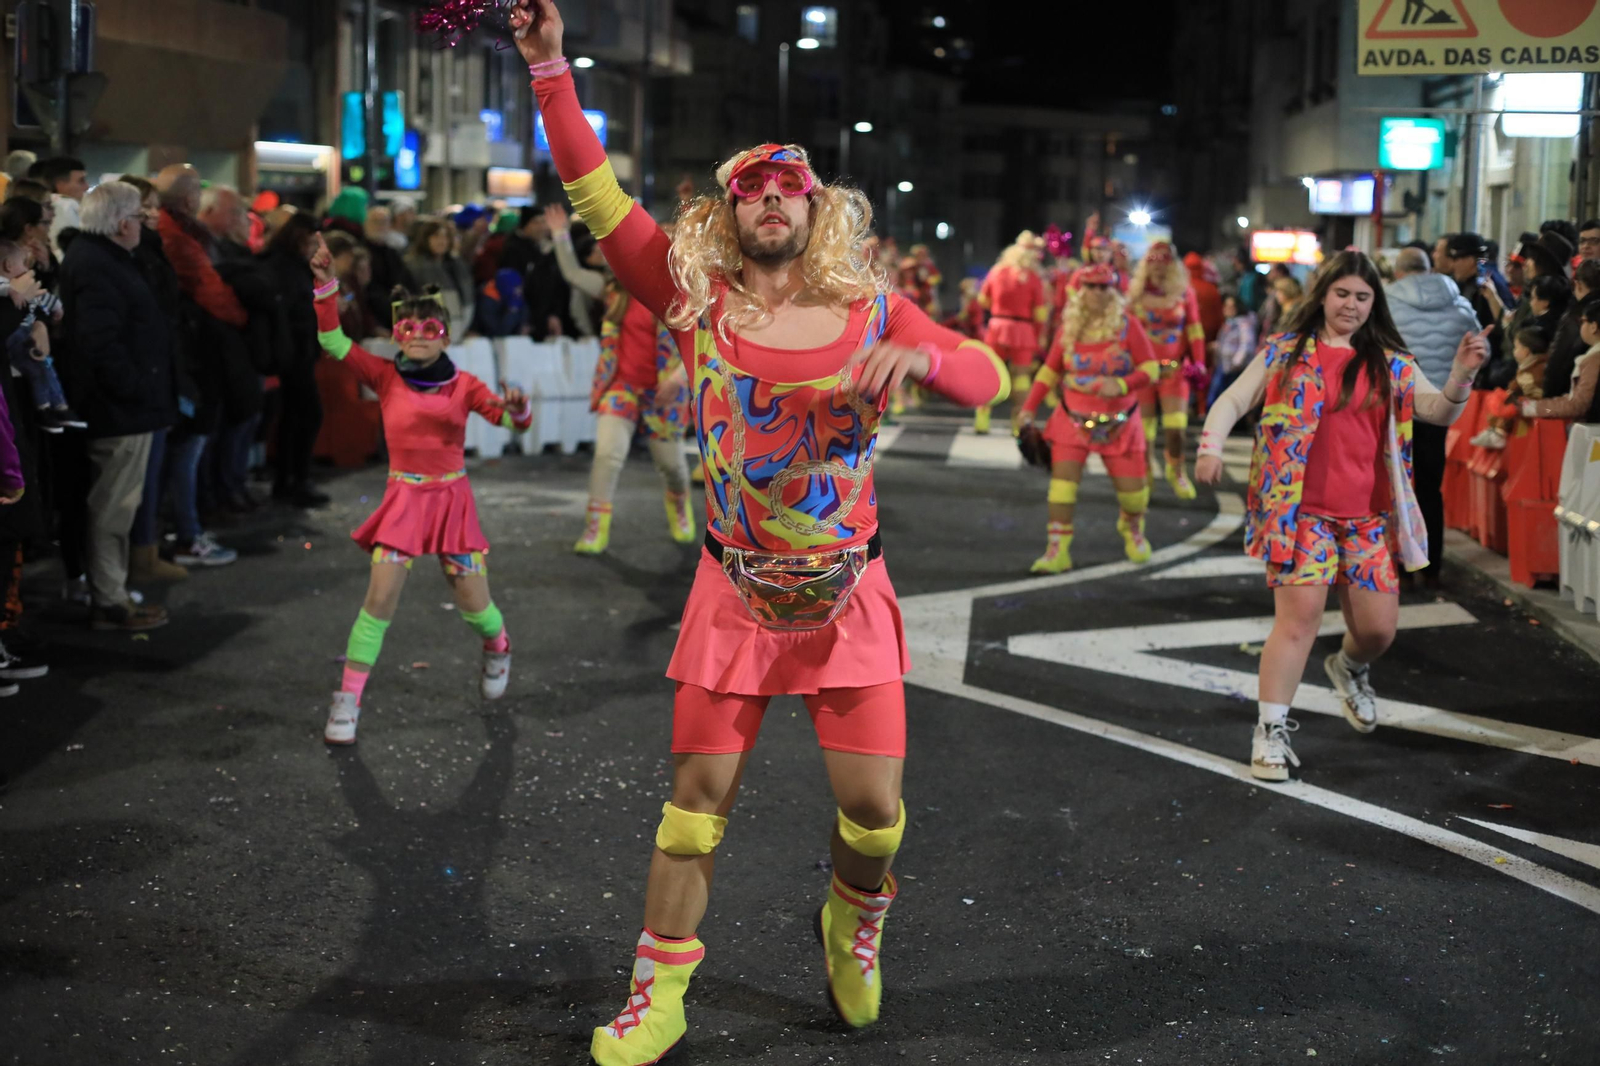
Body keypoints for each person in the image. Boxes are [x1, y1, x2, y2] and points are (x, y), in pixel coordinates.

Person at [512, 2, 1010, 1061]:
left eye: (789, 186)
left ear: (815, 207)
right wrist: (552, 68)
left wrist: (925, 359)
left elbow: (988, 375)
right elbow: (596, 195)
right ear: (728, 211)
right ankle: (658, 995)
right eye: (752, 188)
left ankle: (852, 920)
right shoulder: (690, 298)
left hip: (849, 597)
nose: (771, 199)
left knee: (875, 816)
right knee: (691, 811)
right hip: (733, 592)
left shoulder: (876, 308)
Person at [1196, 251, 1488, 781]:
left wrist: (1461, 375)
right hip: (1300, 515)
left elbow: (1439, 410)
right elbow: (1233, 400)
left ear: (1374, 303)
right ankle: (1269, 733)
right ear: (1323, 295)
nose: (1351, 305)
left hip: (1368, 519)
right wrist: (1210, 447)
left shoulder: (1390, 360)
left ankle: (1349, 668)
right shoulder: (1285, 351)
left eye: (1362, 297)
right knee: (1298, 622)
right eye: (1342, 294)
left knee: (1378, 633)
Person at [308, 241, 533, 745]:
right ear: (395, 334)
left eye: (428, 328)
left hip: (452, 504)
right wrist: (325, 285)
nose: (416, 337)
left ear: (445, 334)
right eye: (406, 328)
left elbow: (510, 422)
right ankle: (347, 702)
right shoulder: (384, 375)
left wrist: (518, 409)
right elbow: (333, 341)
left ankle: (498, 646)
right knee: (378, 601)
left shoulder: (465, 385)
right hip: (404, 503)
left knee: (476, 608)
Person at [58, 182, 178, 631]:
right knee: (113, 508)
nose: (145, 225)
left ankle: (113, 594)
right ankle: (109, 602)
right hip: (119, 410)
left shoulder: (99, 258)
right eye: (140, 218)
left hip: (122, 405)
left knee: (114, 506)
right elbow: (101, 344)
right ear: (123, 224)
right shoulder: (98, 265)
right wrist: (137, 388)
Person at [1016, 263, 1159, 573]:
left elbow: (1151, 368)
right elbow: (1050, 370)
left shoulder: (1128, 325)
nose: (1097, 292)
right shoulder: (1069, 327)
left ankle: (1131, 527)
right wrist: (1028, 407)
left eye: (1104, 286)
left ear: (1113, 290)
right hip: (1072, 420)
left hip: (1121, 423)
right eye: (1091, 286)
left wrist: (1122, 384)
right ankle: (1057, 551)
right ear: (1080, 291)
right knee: (1061, 489)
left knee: (1134, 498)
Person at [156, 165, 246, 567]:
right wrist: (243, 314)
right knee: (187, 448)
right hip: (191, 354)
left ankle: (178, 530)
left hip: (186, 352)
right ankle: (185, 533)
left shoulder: (176, 234)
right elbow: (212, 293)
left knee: (183, 449)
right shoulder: (177, 237)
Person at [573, 280, 693, 554]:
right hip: (622, 387)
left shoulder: (680, 291)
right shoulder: (617, 289)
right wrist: (558, 247)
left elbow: (702, 341)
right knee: (607, 455)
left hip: (664, 391)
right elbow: (572, 274)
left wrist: (679, 377)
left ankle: (678, 504)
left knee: (672, 466)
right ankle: (595, 528)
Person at [1384, 245, 1480, 582]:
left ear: (1398, 272)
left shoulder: (1386, 302)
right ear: (1429, 269)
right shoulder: (1459, 302)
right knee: (1429, 487)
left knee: (1396, 486)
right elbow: (1478, 345)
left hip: (1396, 409)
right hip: (1441, 404)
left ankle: (1400, 564)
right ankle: (1431, 565)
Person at [118, 175, 193, 586]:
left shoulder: (148, 250)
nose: (150, 213)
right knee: (137, 479)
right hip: (144, 378)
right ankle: (137, 557)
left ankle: (146, 549)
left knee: (152, 469)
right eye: (142, 206)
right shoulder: (131, 256)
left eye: (152, 205)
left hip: (158, 371)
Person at [260, 210, 328, 508]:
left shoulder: (289, 265)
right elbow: (292, 310)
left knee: (295, 415)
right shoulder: (285, 267)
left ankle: (291, 478)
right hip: (293, 351)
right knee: (306, 414)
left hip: (298, 349)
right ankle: (295, 478)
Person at [1128, 240, 1205, 499]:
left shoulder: (1184, 293)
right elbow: (1124, 333)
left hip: (1175, 370)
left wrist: (1199, 362)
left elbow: (1195, 330)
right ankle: (1145, 472)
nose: (1158, 267)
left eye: (1164, 261)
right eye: (1153, 261)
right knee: (1144, 431)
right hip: (1143, 372)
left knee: (1176, 428)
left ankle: (1176, 470)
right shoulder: (1135, 295)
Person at [0, 240, 80, 432]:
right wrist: (14, 293)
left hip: (23, 344)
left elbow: (42, 296)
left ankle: (59, 407)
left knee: (45, 368)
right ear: (8, 265)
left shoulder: (21, 283)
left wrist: (53, 311)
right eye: (24, 263)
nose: (28, 269)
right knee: (38, 369)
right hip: (13, 351)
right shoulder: (7, 285)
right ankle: (44, 409)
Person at [974, 234, 1047, 434]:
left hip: (997, 327)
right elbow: (1040, 313)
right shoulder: (1033, 277)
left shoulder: (997, 271)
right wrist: (1039, 335)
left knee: (990, 373)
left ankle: (982, 416)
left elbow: (983, 300)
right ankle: (1018, 422)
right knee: (1021, 377)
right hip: (1023, 330)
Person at [1471, 327, 1550, 450]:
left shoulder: (1535, 369)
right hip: (1529, 402)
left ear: (1526, 351)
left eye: (1516, 347)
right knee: (1503, 399)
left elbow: (1524, 388)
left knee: (1509, 404)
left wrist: (1510, 394)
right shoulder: (1529, 365)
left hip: (1536, 405)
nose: (1514, 351)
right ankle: (1493, 430)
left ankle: (1498, 434)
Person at [1523, 301, 1600, 425]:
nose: (1580, 326)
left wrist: (1536, 409)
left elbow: (1577, 406)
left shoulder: (1594, 361)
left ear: (1593, 327)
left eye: (1582, 321)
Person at [544, 204, 607, 337]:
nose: (602, 256)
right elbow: (572, 273)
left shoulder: (611, 280)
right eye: (597, 252)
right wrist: (560, 234)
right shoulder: (608, 282)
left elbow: (572, 273)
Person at [1545, 260, 1600, 398]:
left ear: (1578, 285)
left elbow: (1559, 362)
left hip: (1574, 394)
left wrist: (1548, 399)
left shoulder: (1578, 317)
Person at [404, 219, 474, 324]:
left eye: (445, 237)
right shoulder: (413, 265)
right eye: (436, 236)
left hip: (459, 321)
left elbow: (468, 294)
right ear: (426, 238)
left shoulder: (457, 265)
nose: (441, 241)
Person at [1207, 293, 1258, 409]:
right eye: (1226, 306)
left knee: (1229, 396)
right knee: (1217, 394)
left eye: (1231, 306)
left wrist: (1237, 362)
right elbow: (1227, 342)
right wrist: (1217, 347)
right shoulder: (1229, 323)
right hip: (1224, 364)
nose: (1227, 309)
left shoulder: (1243, 324)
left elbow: (1246, 344)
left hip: (1234, 367)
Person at [35, 157, 87, 257]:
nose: (86, 186)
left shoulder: (43, 204)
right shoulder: (66, 205)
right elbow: (74, 249)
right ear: (60, 184)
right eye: (81, 181)